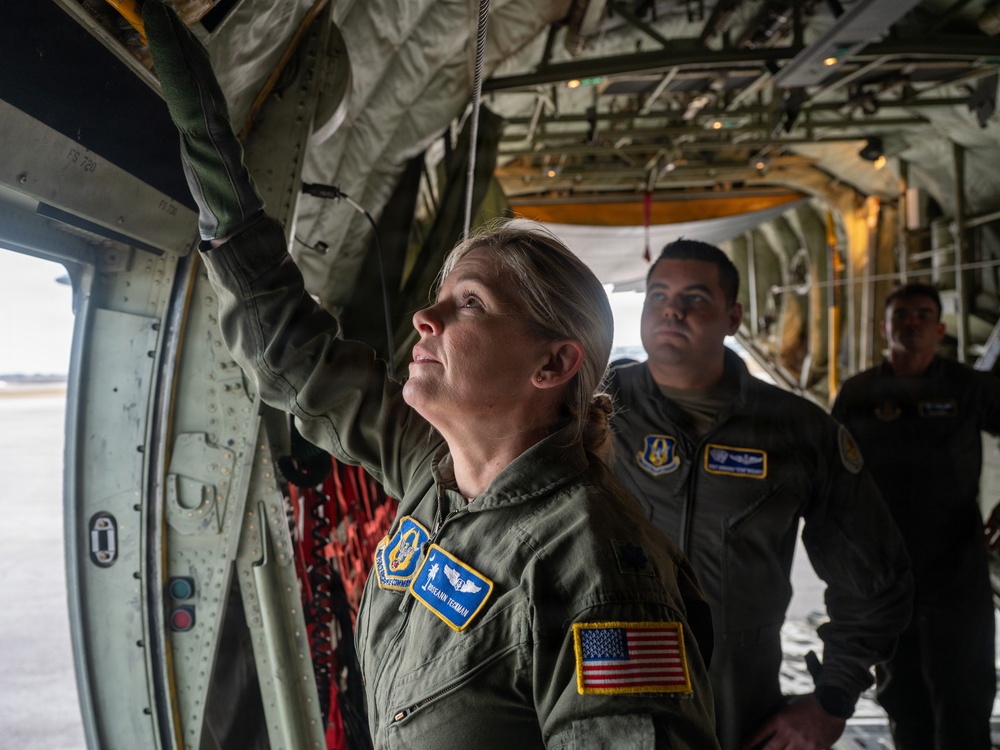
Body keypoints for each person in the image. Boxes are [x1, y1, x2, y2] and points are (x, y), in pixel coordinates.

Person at [140, 3, 721, 748]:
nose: (425, 317)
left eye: (469, 304)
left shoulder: (600, 573)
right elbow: (295, 358)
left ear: (553, 363)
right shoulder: (435, 467)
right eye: (440, 297)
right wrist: (213, 162)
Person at [608, 238, 913, 750]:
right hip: (601, 685)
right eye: (657, 295)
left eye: (696, 298)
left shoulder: (797, 432)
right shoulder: (589, 411)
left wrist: (832, 700)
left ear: (734, 317)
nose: (672, 310)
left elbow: (874, 577)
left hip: (739, 702)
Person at [831, 282, 1000, 749]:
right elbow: (830, 470)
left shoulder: (967, 386)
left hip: (957, 561)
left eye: (923, 315)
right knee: (902, 689)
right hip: (885, 563)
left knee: (966, 685)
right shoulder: (860, 393)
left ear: (940, 328)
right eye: (902, 315)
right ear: (884, 327)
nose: (912, 323)